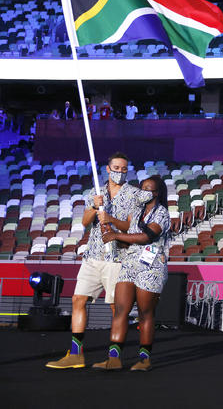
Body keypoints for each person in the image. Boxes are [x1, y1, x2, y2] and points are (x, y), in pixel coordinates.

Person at [46, 152, 151, 369]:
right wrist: (95, 207)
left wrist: (110, 219)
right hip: (93, 255)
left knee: (117, 308)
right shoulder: (96, 192)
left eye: (124, 169)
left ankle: (114, 356)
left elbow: (130, 227)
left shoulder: (134, 194)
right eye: (116, 168)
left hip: (118, 259)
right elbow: (84, 222)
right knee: (78, 300)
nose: (120, 172)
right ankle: (76, 354)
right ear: (107, 169)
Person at [92, 176, 170, 371]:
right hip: (129, 263)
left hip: (151, 266)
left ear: (156, 193)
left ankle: (144, 359)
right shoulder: (136, 213)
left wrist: (116, 234)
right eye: (141, 188)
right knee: (120, 309)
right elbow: (129, 239)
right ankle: (114, 358)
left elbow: (146, 237)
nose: (142, 192)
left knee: (145, 313)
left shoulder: (162, 213)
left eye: (148, 189)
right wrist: (109, 231)